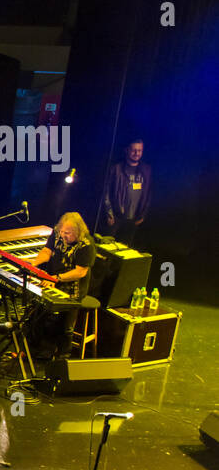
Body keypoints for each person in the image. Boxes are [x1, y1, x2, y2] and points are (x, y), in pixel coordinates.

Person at [32, 212, 96, 359]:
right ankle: (38, 351)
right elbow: (47, 251)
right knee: (38, 314)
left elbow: (80, 272)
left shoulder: (86, 244)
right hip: (54, 280)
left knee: (65, 326)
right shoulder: (57, 233)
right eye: (61, 231)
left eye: (67, 233)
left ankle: (63, 357)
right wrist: (33, 264)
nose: (63, 235)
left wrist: (56, 279)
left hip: (73, 289)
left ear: (78, 232)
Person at [102, 138, 152, 248]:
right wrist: (109, 214)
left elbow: (148, 194)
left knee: (125, 251)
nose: (136, 153)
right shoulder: (116, 169)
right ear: (127, 150)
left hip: (134, 219)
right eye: (134, 150)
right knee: (107, 249)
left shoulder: (146, 170)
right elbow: (106, 193)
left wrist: (143, 215)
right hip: (116, 217)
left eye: (139, 150)